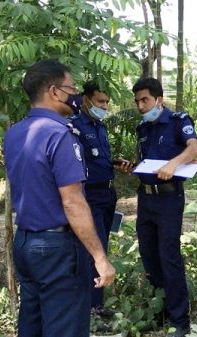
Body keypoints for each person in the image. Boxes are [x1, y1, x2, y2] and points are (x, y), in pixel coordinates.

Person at [3, 60, 115, 337]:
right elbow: (73, 202)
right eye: (71, 88)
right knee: (66, 327)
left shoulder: (15, 133)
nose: (75, 95)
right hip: (58, 249)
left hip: (26, 242)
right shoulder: (60, 135)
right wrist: (100, 257)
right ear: (54, 91)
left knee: (33, 324)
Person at [133, 77, 197, 336]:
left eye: (145, 100)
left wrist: (174, 163)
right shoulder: (142, 128)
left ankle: (179, 320)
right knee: (149, 255)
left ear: (159, 100)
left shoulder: (178, 121)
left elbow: (194, 148)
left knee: (169, 256)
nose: (140, 105)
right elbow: (145, 161)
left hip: (169, 199)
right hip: (145, 198)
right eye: (137, 101)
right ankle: (159, 309)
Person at [68, 80, 132, 316]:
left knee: (103, 245)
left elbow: (97, 159)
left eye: (106, 102)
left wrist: (116, 163)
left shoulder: (100, 126)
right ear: (86, 100)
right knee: (94, 250)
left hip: (108, 193)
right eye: (100, 101)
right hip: (90, 195)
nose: (104, 106)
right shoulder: (74, 126)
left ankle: (96, 303)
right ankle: (92, 308)